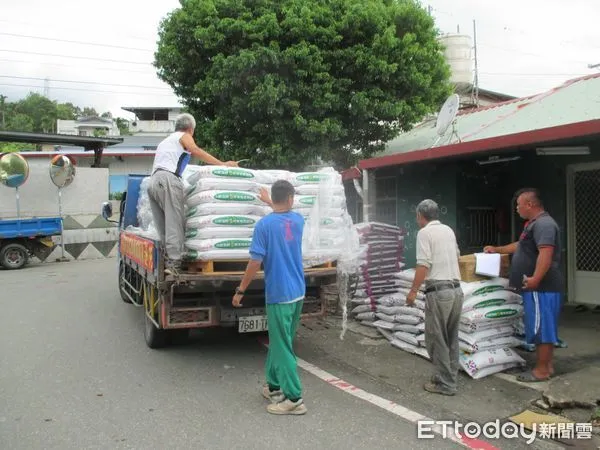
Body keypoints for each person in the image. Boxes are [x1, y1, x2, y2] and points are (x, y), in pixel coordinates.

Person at [232, 180, 307, 416]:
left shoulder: (264, 226)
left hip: (279, 294)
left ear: (273, 198)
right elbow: (284, 213)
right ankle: (274, 386)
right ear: (291, 198)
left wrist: (240, 290)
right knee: (279, 341)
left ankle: (294, 398)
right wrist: (271, 202)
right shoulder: (298, 221)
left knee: (283, 346)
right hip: (298, 293)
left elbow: (255, 261)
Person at [484, 188, 562, 382]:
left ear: (529, 204)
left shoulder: (544, 224)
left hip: (541, 287)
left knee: (541, 328)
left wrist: (535, 279)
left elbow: (546, 253)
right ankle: (547, 366)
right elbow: (521, 246)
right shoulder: (533, 225)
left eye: (518, 205)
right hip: (540, 288)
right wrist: (498, 249)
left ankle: (541, 370)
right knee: (545, 327)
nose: (517, 209)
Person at [147, 113, 237, 273]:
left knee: (163, 225)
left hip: (153, 181)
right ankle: (174, 264)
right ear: (190, 129)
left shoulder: (165, 141)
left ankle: (165, 261)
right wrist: (222, 164)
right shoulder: (184, 136)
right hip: (168, 179)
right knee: (175, 221)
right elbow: (195, 150)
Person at [407, 199, 463, 396]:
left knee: (436, 339)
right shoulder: (448, 230)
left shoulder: (424, 233)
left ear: (420, 216)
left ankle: (446, 384)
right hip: (456, 290)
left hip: (439, 292)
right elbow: (457, 257)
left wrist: (413, 291)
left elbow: (423, 265)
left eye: (416, 216)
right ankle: (448, 377)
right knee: (451, 337)